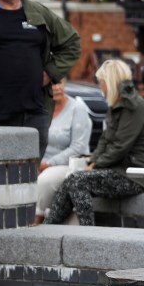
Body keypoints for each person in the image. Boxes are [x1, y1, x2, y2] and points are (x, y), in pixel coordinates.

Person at [0, 0, 81, 159]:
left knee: (26, 182)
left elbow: (72, 43)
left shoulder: (38, 13)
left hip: (32, 116)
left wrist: (50, 73)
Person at [44, 60, 144, 226]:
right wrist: (93, 161)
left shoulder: (132, 106)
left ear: (110, 82)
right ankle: (49, 228)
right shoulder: (118, 103)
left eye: (102, 82)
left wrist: (96, 165)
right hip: (122, 169)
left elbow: (120, 147)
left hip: (138, 176)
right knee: (72, 179)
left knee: (78, 180)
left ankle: (89, 234)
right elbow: (106, 139)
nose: (101, 87)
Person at [34, 79, 92, 224]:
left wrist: (48, 164)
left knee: (44, 181)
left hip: (68, 164)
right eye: (52, 85)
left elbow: (78, 148)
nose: (57, 88)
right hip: (39, 162)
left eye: (59, 83)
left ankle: (36, 219)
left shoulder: (77, 109)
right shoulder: (41, 107)